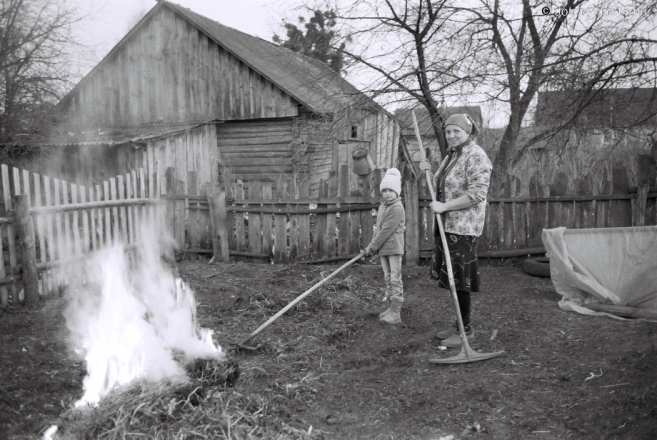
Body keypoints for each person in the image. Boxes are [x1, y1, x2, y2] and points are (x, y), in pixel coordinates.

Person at [419, 113, 492, 348]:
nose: (451, 135)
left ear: (468, 132)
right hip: (447, 225)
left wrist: (445, 206)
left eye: (456, 131)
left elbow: (477, 194)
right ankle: (459, 323)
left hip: (463, 228)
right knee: (451, 277)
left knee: (460, 279)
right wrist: (427, 170)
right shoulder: (452, 155)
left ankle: (466, 331)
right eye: (448, 131)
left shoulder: (476, 156)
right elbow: (441, 185)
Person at [363, 168, 406, 324]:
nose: (387, 193)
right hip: (383, 248)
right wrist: (373, 247)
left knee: (395, 278)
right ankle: (390, 307)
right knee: (388, 277)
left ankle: (396, 313)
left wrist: (372, 247)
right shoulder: (383, 206)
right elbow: (378, 229)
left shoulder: (396, 208)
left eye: (391, 190)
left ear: (397, 192)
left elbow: (386, 230)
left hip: (394, 248)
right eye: (385, 190)